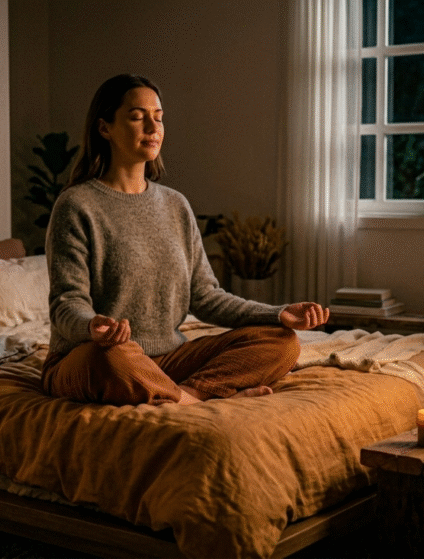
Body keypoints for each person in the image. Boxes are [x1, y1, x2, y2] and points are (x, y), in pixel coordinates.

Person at [42, 73, 329, 406]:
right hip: (97, 358)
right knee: (109, 358)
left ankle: (189, 394)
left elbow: (206, 296)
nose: (153, 128)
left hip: (169, 360)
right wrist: (92, 326)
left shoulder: (175, 204)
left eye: (158, 118)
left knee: (282, 342)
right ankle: (193, 396)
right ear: (104, 128)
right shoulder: (77, 205)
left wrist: (277, 314)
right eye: (137, 117)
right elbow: (66, 302)